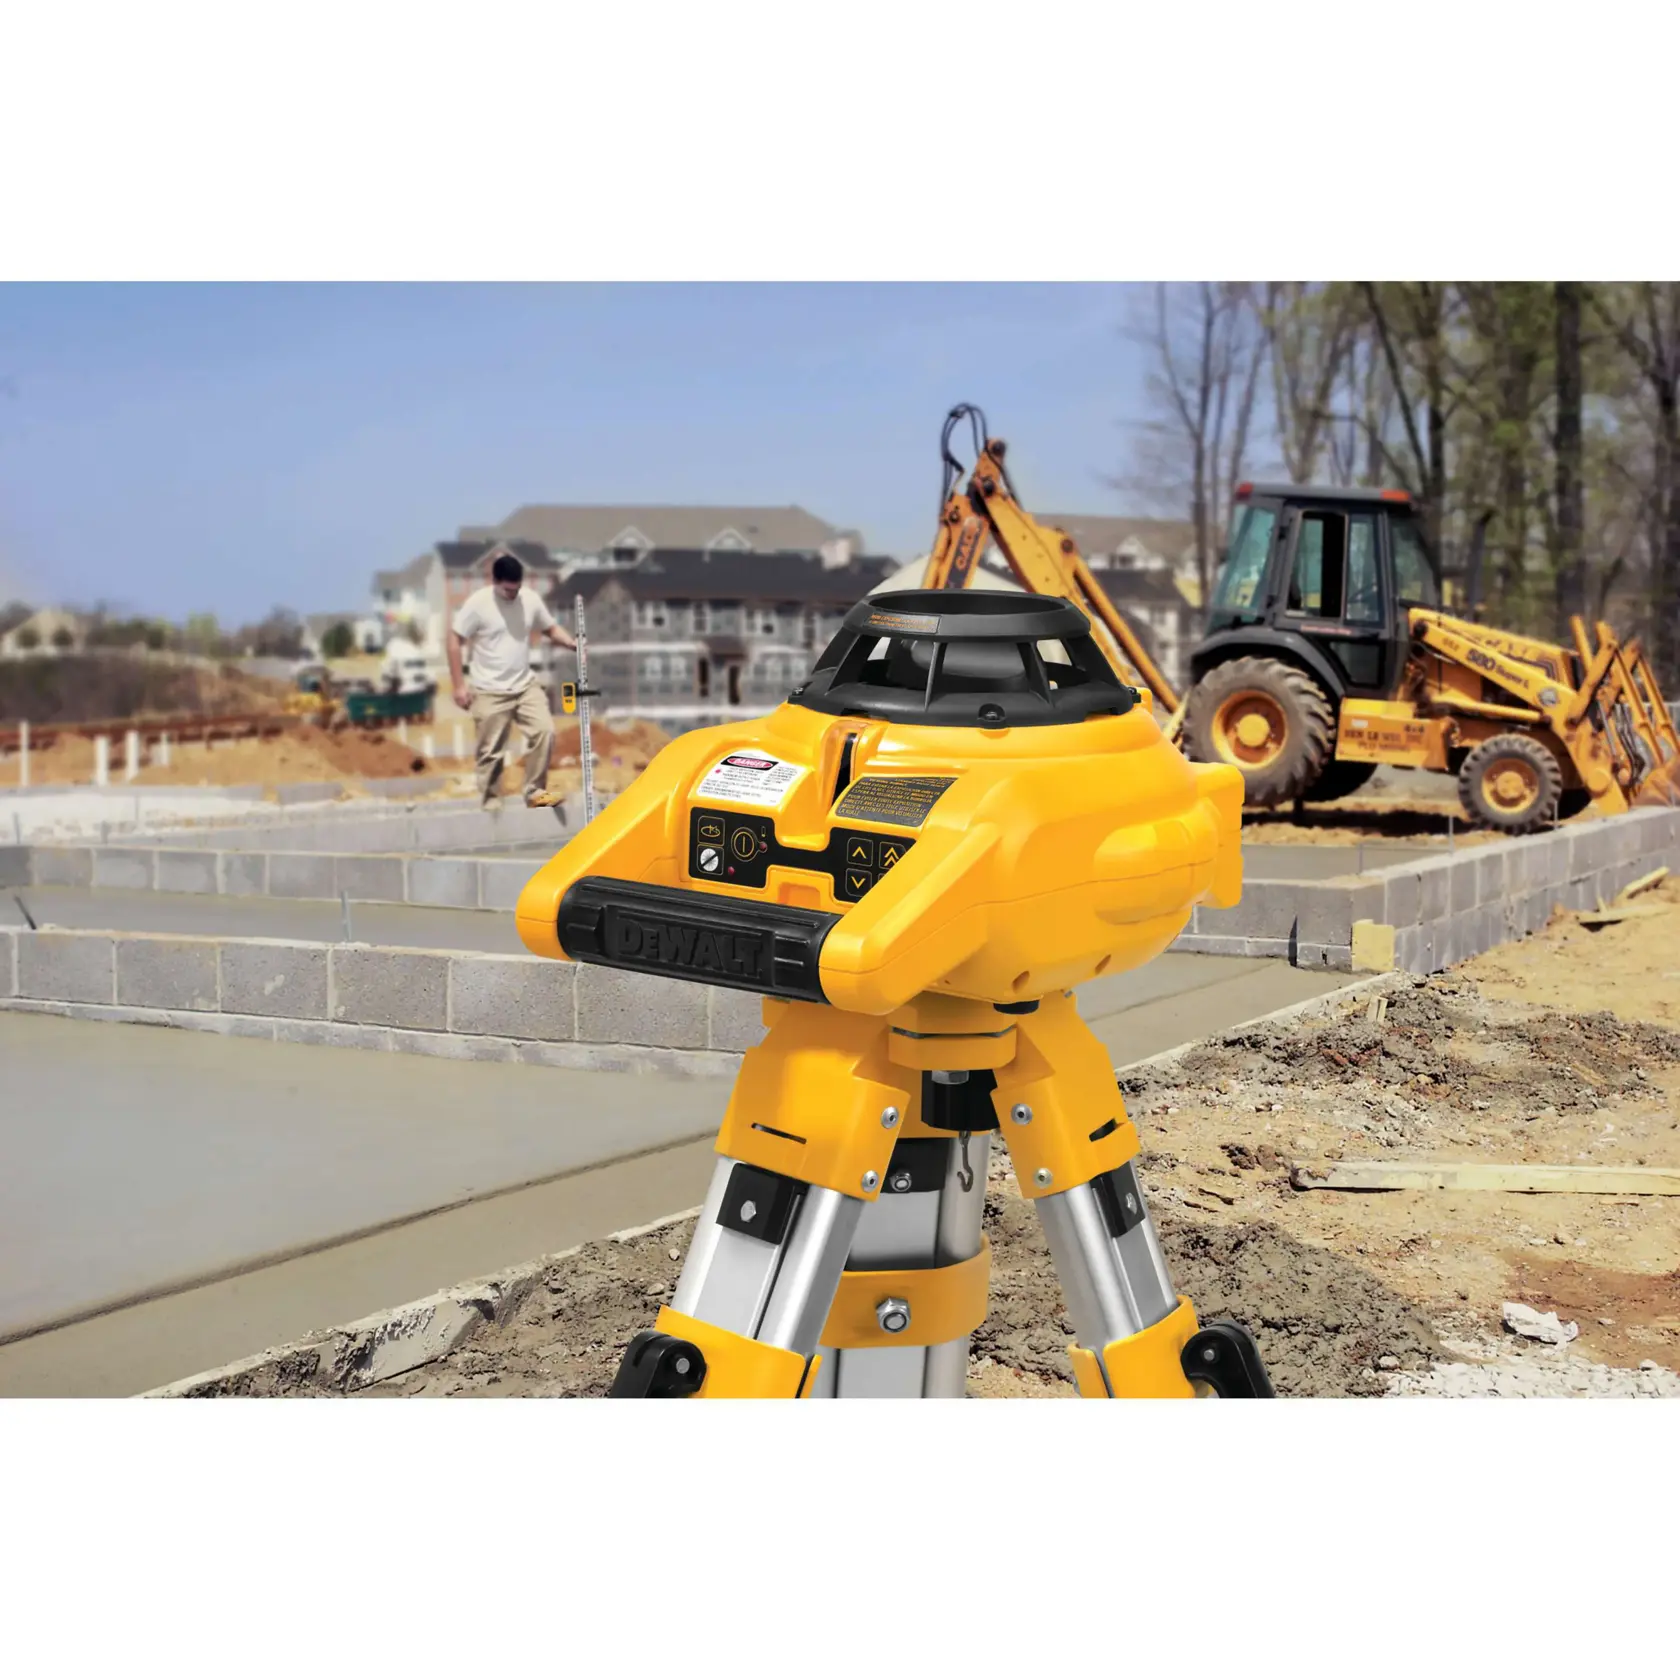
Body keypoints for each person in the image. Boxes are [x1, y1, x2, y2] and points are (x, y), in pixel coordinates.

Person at [447, 555, 577, 809]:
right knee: (491, 751)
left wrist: (572, 643)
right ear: (494, 581)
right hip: (488, 689)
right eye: (507, 589)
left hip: (524, 685)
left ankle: (535, 792)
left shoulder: (529, 599)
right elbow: (454, 640)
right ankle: (491, 802)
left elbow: (550, 628)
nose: (512, 594)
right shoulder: (478, 604)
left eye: (516, 589)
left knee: (545, 731)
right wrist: (458, 685)